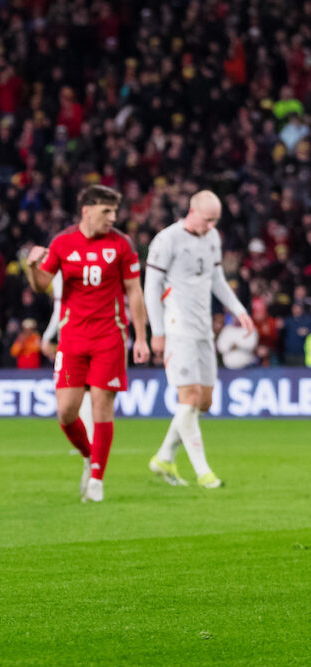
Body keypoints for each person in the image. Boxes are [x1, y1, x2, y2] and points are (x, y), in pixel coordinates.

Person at [24, 185, 150, 503]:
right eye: (107, 211)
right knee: (66, 412)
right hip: (72, 340)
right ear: (87, 211)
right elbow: (42, 285)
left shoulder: (122, 244)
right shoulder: (63, 242)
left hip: (110, 337)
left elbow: (134, 291)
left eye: (114, 211)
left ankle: (96, 479)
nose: (113, 218)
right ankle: (88, 455)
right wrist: (31, 266)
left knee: (101, 406)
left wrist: (141, 337)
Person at [144, 191, 255, 488]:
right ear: (192, 211)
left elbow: (217, 280)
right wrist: (157, 331)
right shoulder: (167, 240)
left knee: (203, 402)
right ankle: (204, 473)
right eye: (207, 220)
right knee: (189, 396)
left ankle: (164, 457)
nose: (211, 226)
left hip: (203, 328)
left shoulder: (212, 237)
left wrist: (239, 310)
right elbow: (151, 288)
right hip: (177, 327)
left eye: (215, 221)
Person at [39, 270, 93, 439]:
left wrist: (47, 337)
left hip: (71, 337)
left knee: (74, 391)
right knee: (88, 389)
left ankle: (88, 438)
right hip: (94, 331)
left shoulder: (60, 272)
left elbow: (59, 310)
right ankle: (91, 436)